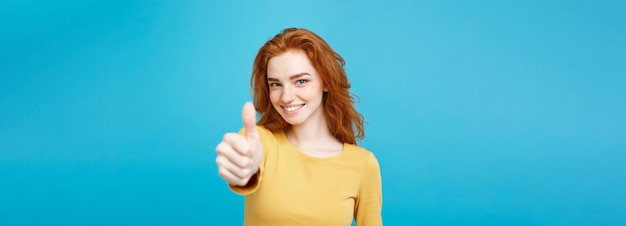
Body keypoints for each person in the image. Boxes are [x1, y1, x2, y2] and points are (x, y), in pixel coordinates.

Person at [215, 27, 382, 226]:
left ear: (326, 82)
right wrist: (244, 168)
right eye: (276, 84)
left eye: (301, 81)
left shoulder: (363, 165)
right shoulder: (261, 141)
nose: (286, 97)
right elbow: (249, 158)